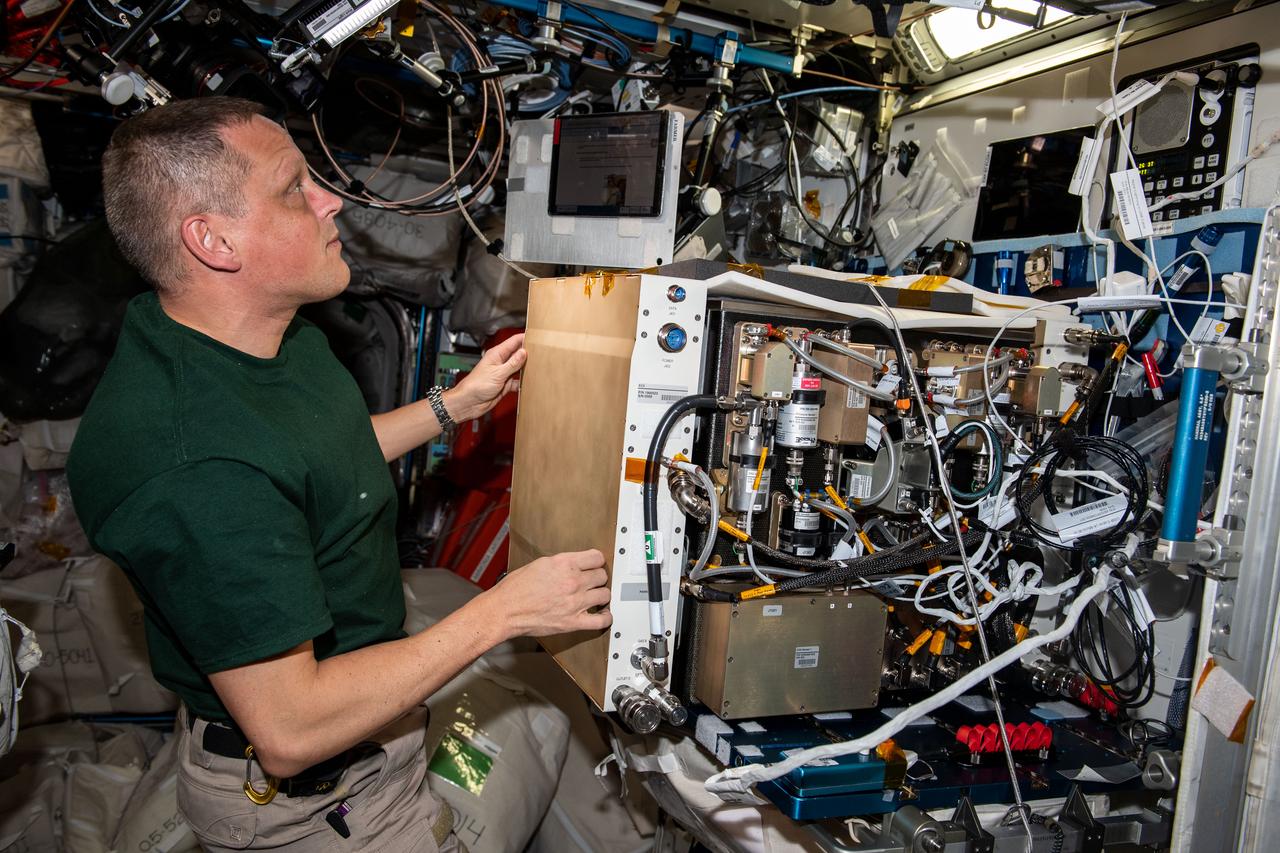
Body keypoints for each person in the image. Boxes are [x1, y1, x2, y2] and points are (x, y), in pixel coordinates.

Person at [65, 96, 612, 852]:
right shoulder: (195, 468)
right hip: (316, 802)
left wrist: (453, 406)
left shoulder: (252, 336)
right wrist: (504, 612)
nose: (331, 202)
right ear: (214, 240)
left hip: (370, 736)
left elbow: (312, 459)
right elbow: (290, 731)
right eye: (294, 188)